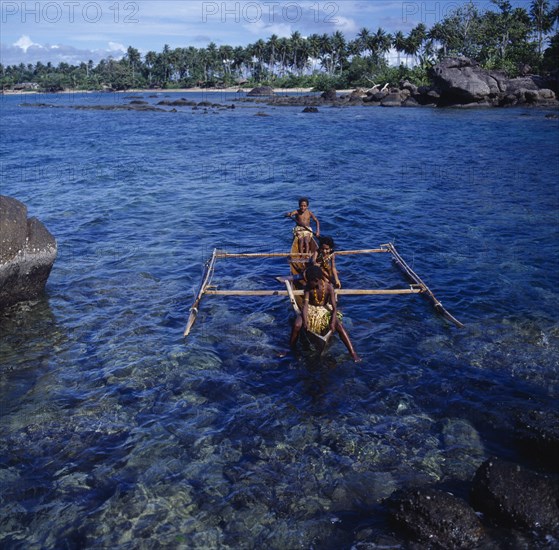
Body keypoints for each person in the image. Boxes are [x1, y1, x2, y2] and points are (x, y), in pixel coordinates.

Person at [290, 266, 360, 362]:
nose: (307, 282)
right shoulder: (308, 288)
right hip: (310, 309)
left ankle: (353, 353)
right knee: (297, 325)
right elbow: (305, 305)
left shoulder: (329, 288)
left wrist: (332, 321)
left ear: (316, 280)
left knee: (339, 326)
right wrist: (305, 321)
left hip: (324, 310)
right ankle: (291, 348)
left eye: (309, 280)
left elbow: (334, 307)